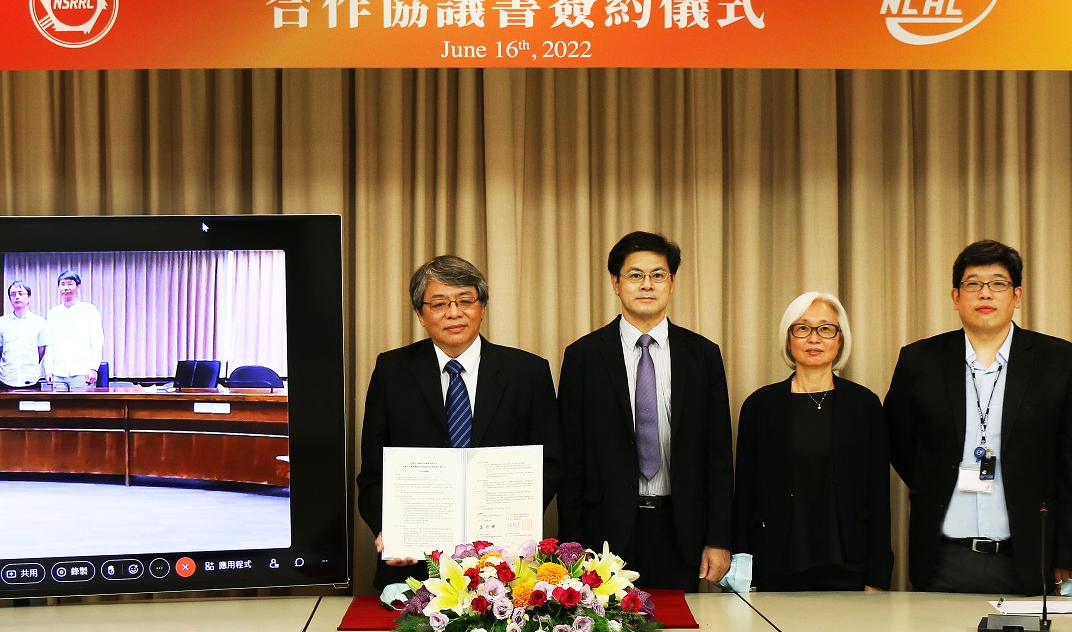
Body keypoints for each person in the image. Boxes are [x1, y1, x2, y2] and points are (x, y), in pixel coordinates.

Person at [884, 240, 1072, 595]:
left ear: (1016, 296)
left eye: (998, 283)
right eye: (973, 284)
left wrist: (1068, 553)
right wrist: (937, 476)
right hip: (944, 556)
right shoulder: (918, 360)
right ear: (956, 297)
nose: (986, 293)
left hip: (1028, 555)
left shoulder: (1061, 362)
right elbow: (899, 442)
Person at [357, 255, 561, 591]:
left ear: (482, 307)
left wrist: (513, 529)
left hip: (502, 566)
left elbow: (550, 463)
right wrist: (390, 529)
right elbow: (373, 468)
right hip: (415, 563)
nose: (454, 313)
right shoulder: (392, 371)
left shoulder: (527, 372)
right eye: (439, 304)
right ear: (421, 315)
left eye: (465, 301)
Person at [557, 231, 732, 591]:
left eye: (658, 275)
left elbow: (717, 454)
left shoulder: (702, 355)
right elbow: (571, 459)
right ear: (616, 284)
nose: (647, 285)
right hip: (603, 534)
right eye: (635, 275)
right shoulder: (584, 357)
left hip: (680, 528)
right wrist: (570, 545)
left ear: (672, 283)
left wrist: (719, 537)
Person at [725, 292, 892, 593]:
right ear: (788, 339)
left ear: (840, 340)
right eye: (802, 328)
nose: (814, 338)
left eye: (826, 329)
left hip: (848, 563)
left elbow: (879, 495)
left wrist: (878, 576)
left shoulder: (864, 405)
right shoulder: (761, 406)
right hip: (774, 564)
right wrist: (741, 569)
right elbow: (745, 495)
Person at [43, 269, 103, 389]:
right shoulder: (52, 313)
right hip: (58, 373)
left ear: (78, 287)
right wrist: (48, 369)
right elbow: (50, 344)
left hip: (83, 373)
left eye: (70, 284)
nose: (66, 288)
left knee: (82, 408)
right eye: (63, 284)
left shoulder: (89, 310)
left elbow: (97, 342)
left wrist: (93, 368)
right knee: (58, 408)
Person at [0, 281, 48, 389]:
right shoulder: (1, 322)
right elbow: (0, 348)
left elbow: (41, 350)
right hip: (6, 378)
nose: (17, 297)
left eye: (20, 293)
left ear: (29, 297)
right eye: (13, 294)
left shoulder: (39, 321)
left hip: (31, 378)